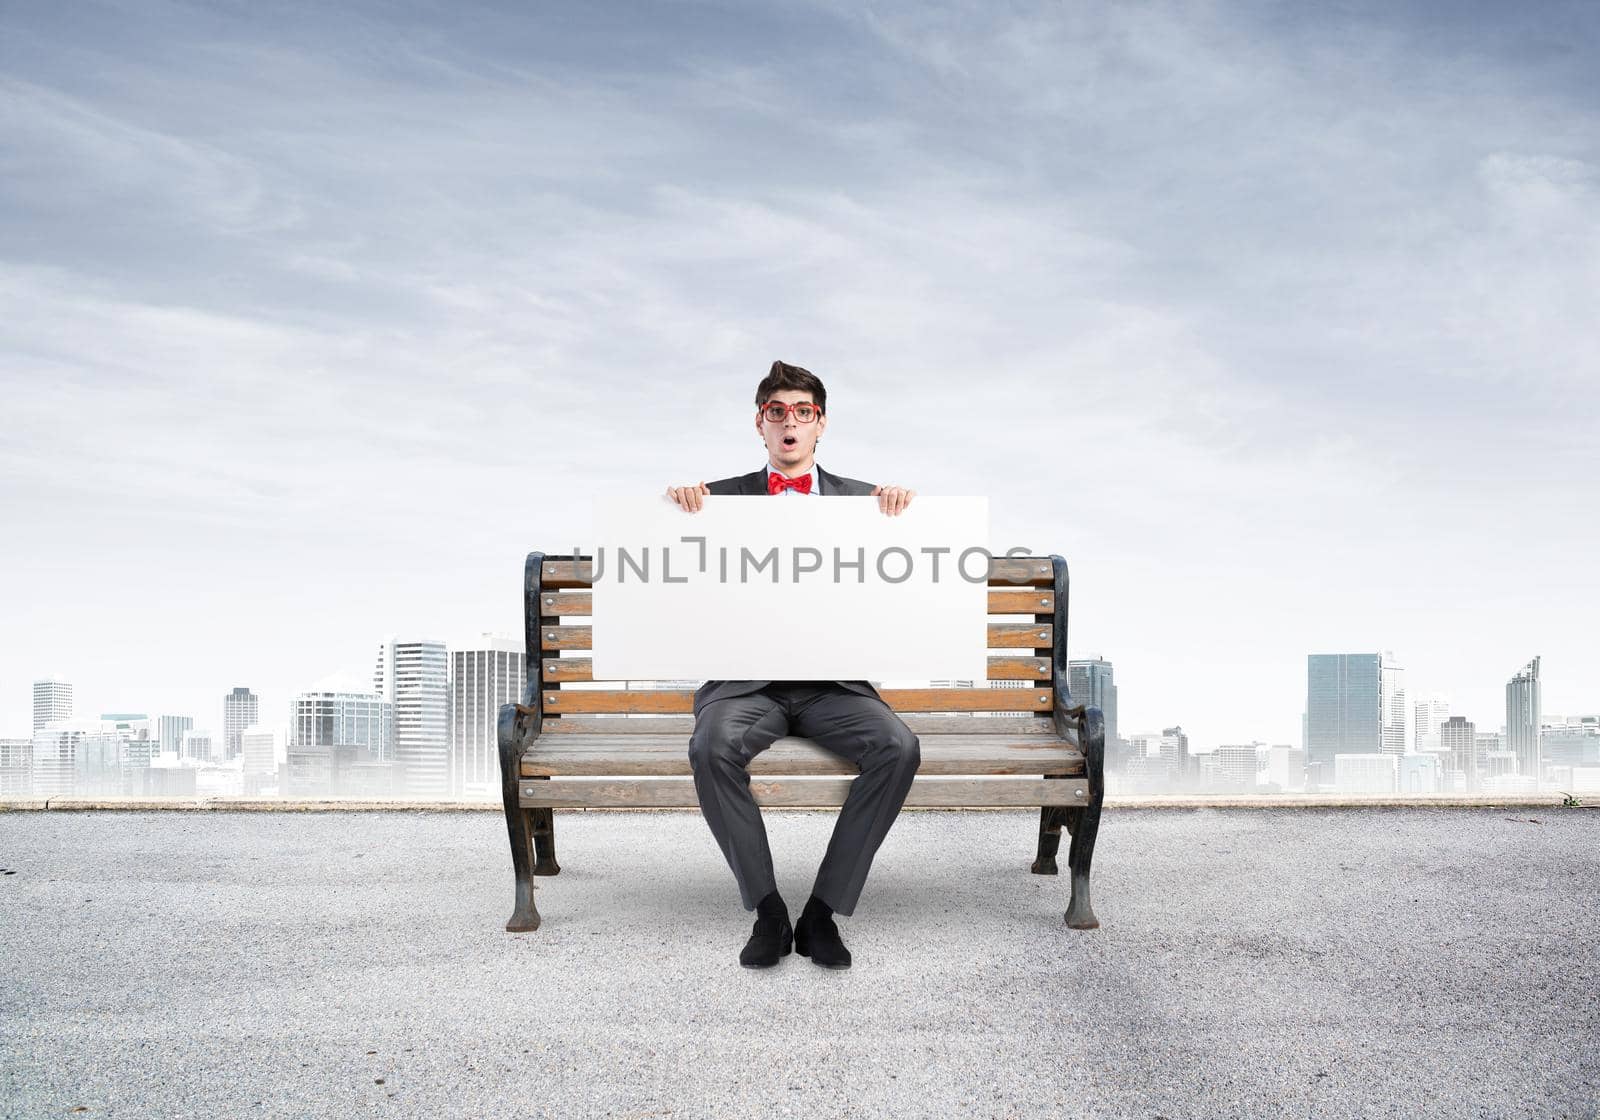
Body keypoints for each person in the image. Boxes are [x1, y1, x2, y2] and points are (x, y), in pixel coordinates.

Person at [665, 359, 918, 970]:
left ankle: (822, 913)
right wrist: (674, 510)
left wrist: (906, 515)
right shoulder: (714, 502)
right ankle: (770, 912)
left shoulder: (867, 504)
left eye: (803, 412)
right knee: (710, 746)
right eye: (777, 411)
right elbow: (675, 590)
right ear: (760, 423)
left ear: (820, 425)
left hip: (831, 686)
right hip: (750, 687)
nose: (790, 422)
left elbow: (904, 591)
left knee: (899, 746)